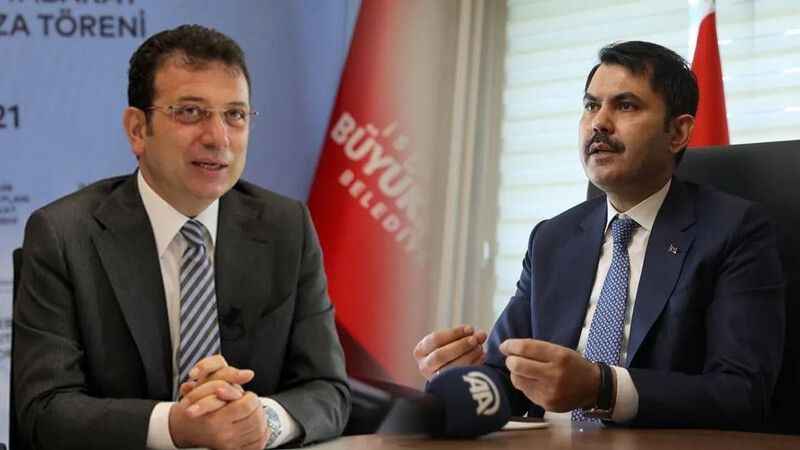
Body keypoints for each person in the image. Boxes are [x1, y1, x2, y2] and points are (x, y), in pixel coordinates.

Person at [414, 41, 785, 429]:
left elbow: (741, 393)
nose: (599, 123)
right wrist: (462, 379)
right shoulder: (552, 239)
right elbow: (507, 378)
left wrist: (602, 388)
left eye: (625, 106)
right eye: (591, 106)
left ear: (677, 132)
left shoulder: (734, 231)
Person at [13, 25, 350, 450]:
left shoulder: (286, 227)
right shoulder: (64, 235)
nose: (218, 138)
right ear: (138, 129)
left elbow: (328, 390)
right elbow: (43, 410)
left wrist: (262, 421)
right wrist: (176, 426)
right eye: (191, 112)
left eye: (235, 115)